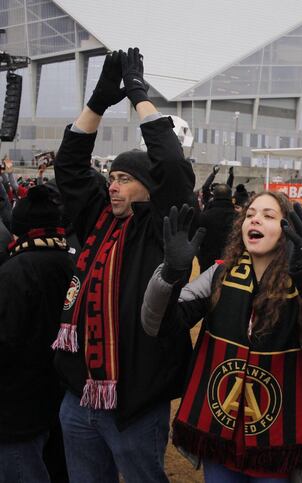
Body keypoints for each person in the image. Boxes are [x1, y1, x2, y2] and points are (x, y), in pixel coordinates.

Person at [141, 195, 302, 482]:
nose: (254, 219)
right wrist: (170, 275)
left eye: (268, 215)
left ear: (288, 228)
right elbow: (157, 324)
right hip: (218, 435)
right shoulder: (220, 273)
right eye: (250, 214)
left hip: (279, 443)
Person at [51, 48, 195, 482]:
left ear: (148, 188)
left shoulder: (161, 224)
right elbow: (70, 165)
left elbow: (170, 163)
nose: (112, 186)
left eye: (124, 179)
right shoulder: (96, 215)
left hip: (134, 403)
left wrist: (137, 93)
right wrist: (98, 100)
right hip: (79, 399)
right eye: (111, 178)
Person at [0, 185, 73, 483]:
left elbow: (4, 339)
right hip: (59, 388)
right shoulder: (73, 264)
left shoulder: (14, 271)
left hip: (17, 402)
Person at [196, 182, 237, 272]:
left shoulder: (204, 216)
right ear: (231, 197)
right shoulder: (239, 218)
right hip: (231, 262)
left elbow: (197, 239)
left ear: (214, 196)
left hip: (207, 262)